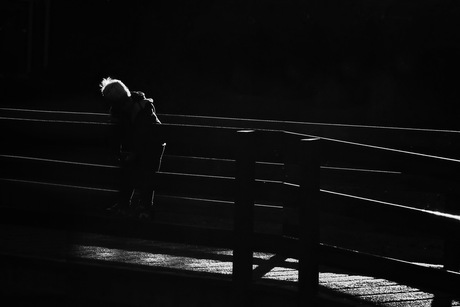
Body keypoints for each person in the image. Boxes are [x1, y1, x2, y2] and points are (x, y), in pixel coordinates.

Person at [100, 77, 165, 220]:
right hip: (135, 146)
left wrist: (134, 152)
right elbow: (116, 133)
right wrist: (116, 152)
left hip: (152, 146)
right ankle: (124, 204)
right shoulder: (119, 109)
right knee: (127, 171)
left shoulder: (143, 108)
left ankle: (145, 207)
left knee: (148, 173)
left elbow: (145, 135)